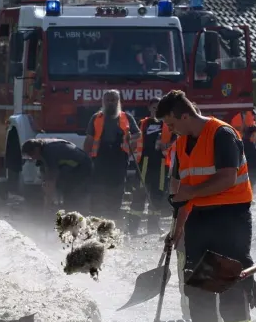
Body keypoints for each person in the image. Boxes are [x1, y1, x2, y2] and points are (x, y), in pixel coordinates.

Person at [159, 90, 256, 322]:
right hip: (199, 220)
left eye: (171, 123)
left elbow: (227, 178)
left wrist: (189, 192)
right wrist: (176, 229)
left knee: (229, 287)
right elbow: (179, 192)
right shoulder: (180, 144)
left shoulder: (222, 134)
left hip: (230, 219)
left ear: (185, 115)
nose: (170, 129)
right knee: (198, 290)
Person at [84, 90, 138, 220]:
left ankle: (112, 219)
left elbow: (137, 134)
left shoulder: (127, 117)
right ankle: (96, 219)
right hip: (100, 158)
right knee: (98, 190)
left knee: (116, 190)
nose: (111, 103)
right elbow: (89, 139)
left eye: (113, 100)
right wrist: (85, 158)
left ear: (118, 101)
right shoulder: (96, 118)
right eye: (108, 100)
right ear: (103, 101)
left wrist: (131, 138)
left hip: (119, 159)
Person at [128, 97, 174, 235]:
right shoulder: (143, 123)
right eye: (154, 108)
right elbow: (135, 140)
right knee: (139, 194)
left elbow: (175, 143)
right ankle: (132, 227)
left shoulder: (169, 124)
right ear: (149, 108)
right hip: (144, 163)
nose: (156, 111)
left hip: (160, 164)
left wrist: (165, 145)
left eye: (159, 108)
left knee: (157, 195)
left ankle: (153, 226)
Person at [21, 138, 92, 214]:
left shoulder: (48, 152)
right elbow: (45, 173)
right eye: (29, 157)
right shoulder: (43, 149)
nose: (32, 158)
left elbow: (52, 178)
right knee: (60, 186)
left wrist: (47, 202)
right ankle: (65, 208)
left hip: (81, 165)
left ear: (36, 149)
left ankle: (74, 212)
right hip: (73, 165)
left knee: (71, 190)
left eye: (31, 155)